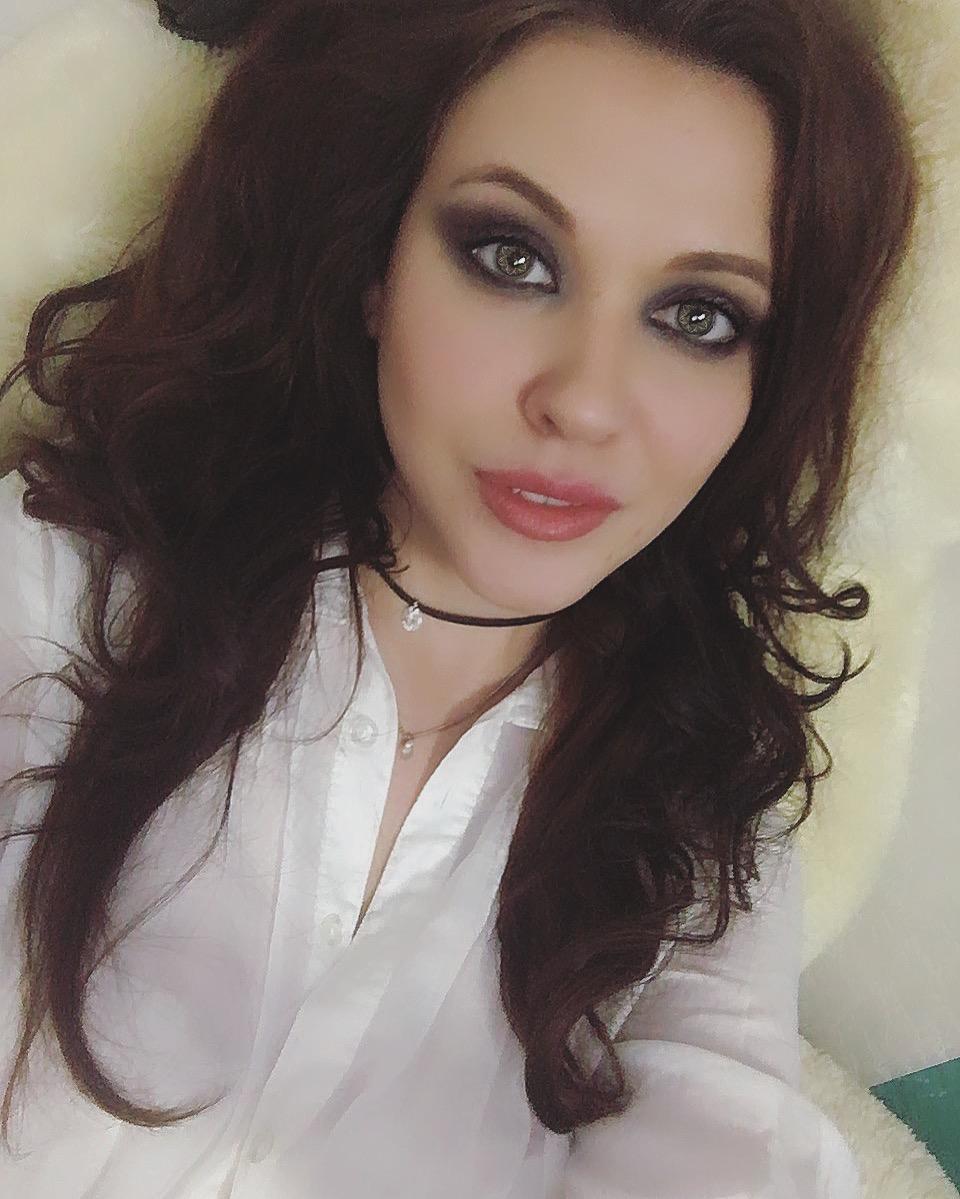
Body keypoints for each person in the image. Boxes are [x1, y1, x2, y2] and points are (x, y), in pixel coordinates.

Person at [0, 0, 921, 1195]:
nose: (584, 401)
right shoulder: (61, 585)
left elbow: (725, 1138)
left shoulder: (706, 810)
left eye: (698, 317)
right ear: (373, 263)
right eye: (512, 257)